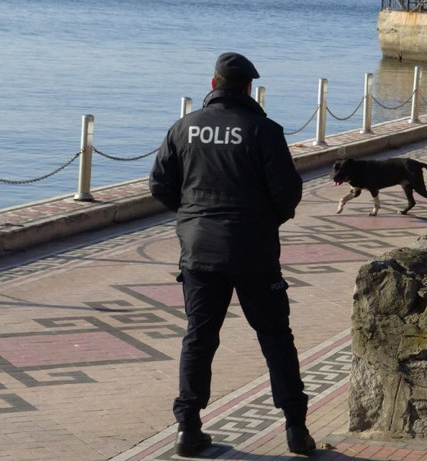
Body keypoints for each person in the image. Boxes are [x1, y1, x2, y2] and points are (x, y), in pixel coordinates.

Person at [148, 52, 315, 457]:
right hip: (255, 252)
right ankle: (295, 430)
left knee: (199, 339)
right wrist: (264, 221)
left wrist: (192, 217)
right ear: (247, 88)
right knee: (276, 338)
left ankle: (187, 429)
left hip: (200, 252)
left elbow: (160, 185)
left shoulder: (183, 128)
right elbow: (288, 194)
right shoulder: (264, 130)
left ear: (212, 85)